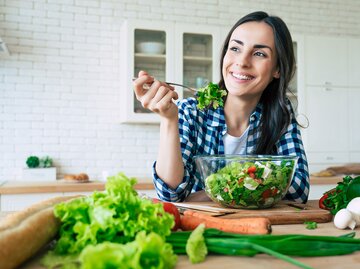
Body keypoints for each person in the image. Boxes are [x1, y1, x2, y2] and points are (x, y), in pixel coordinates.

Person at [133, 11, 309, 203]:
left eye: (259, 53)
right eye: (235, 49)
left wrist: (211, 192)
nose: (242, 62)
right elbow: (171, 194)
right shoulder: (190, 111)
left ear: (277, 69)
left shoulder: (281, 115)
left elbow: (298, 190)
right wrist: (168, 120)